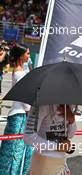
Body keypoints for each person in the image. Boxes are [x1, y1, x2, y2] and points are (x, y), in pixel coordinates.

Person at [0, 44, 32, 175]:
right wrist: (30, 111)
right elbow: (25, 100)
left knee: (15, 148)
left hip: (18, 114)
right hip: (20, 116)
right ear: (21, 56)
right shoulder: (20, 74)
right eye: (28, 53)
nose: (29, 56)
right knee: (16, 151)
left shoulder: (19, 71)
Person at [24, 105, 76, 175]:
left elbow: (70, 135)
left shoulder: (68, 105)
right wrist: (57, 146)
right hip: (44, 161)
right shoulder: (41, 105)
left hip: (61, 161)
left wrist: (72, 121)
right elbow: (28, 137)